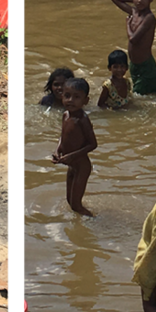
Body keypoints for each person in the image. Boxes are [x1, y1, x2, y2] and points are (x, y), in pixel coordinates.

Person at [51, 77, 96, 217]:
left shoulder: (83, 119)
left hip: (82, 166)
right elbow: (62, 136)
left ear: (85, 101)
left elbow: (93, 144)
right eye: (67, 96)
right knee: (70, 201)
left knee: (76, 205)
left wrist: (72, 156)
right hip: (71, 165)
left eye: (77, 97)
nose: (70, 100)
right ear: (61, 96)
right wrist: (57, 150)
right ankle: (77, 227)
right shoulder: (65, 115)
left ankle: (96, 221)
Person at [110, 0, 156, 94]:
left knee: (136, 99)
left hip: (146, 68)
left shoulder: (149, 18)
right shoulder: (134, 12)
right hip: (134, 66)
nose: (140, 1)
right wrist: (135, 0)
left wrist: (127, 24)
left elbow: (133, 39)